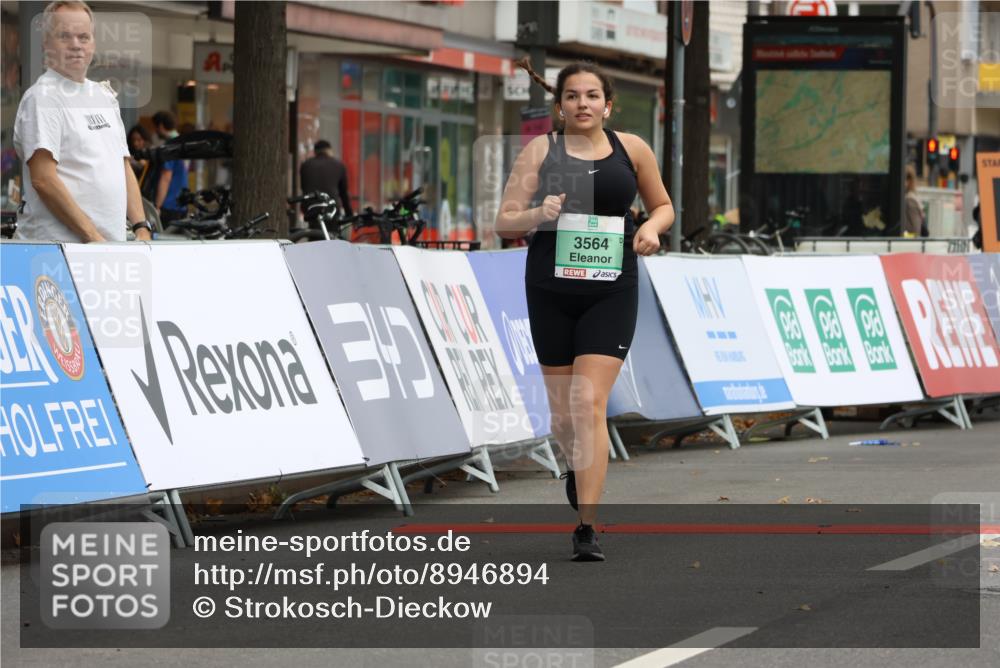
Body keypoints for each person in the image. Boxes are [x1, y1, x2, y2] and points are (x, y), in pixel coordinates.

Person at [495, 59, 674, 562]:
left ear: (607, 104)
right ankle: (577, 465)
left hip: (611, 288)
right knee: (563, 417)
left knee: (588, 403)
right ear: (560, 105)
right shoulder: (541, 150)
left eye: (592, 96)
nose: (583, 104)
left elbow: (663, 205)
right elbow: (503, 219)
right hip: (550, 288)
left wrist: (651, 228)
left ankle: (586, 526)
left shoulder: (631, 149)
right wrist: (538, 213)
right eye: (573, 96)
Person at [13, 0, 152, 242]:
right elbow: (43, 179)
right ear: (46, 43)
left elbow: (123, 166)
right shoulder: (43, 97)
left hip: (106, 251)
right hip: (57, 253)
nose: (76, 45)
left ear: (93, 43)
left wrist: (141, 226)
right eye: (64, 36)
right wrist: (94, 238)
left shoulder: (103, 96)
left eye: (83, 37)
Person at [151, 110, 188, 225]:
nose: (155, 131)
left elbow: (166, 177)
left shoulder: (170, 146)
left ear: (161, 126)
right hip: (181, 203)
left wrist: (157, 205)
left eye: (155, 127)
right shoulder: (182, 143)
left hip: (169, 204)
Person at [300, 139, 353, 218]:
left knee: (314, 228)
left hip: (310, 208)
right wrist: (349, 214)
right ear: (329, 150)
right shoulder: (338, 165)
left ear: (315, 152)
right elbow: (343, 194)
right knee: (332, 229)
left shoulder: (305, 165)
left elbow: (304, 188)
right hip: (331, 208)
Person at [903, 165, 927, 238]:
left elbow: (916, 232)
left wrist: (901, 236)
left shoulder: (910, 200)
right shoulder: (910, 197)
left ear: (909, 181)